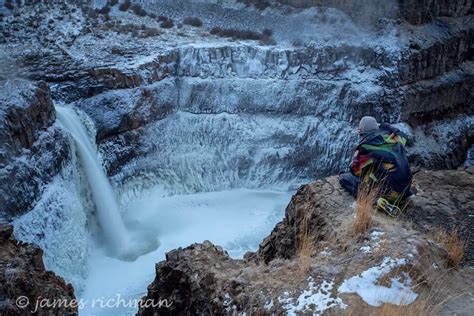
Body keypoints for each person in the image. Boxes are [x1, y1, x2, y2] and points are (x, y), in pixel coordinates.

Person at [339, 116, 413, 217]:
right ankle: (402, 197)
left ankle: (376, 199)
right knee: (383, 167)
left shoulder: (366, 147)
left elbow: (355, 171)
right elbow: (403, 135)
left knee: (345, 178)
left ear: (361, 131)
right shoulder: (394, 137)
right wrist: (386, 126)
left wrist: (356, 156)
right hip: (406, 189)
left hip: (392, 194)